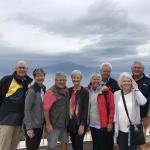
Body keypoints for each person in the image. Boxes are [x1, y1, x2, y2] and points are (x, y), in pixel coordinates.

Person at [0, 60, 33, 150]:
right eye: (20, 67)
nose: (22, 69)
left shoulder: (28, 83)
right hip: (6, 120)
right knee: (4, 146)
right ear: (16, 68)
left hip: (19, 121)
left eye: (24, 68)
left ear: (27, 69)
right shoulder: (7, 80)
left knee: (13, 146)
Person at [114, 72, 147, 150]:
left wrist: (136, 89)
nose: (126, 83)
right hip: (120, 130)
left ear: (132, 82)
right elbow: (115, 110)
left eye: (129, 81)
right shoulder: (116, 94)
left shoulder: (135, 93)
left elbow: (143, 102)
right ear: (121, 83)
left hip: (133, 130)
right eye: (124, 81)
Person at [43, 72, 69, 150]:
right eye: (60, 80)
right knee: (52, 146)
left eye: (64, 80)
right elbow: (46, 109)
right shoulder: (50, 92)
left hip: (64, 125)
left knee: (65, 144)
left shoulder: (66, 90)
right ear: (55, 80)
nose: (62, 82)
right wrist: (48, 124)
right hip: (53, 125)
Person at [88, 73, 114, 150]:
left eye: (98, 79)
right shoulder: (88, 91)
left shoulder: (106, 92)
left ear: (101, 80)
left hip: (102, 125)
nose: (96, 81)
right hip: (92, 124)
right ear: (91, 80)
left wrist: (110, 123)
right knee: (95, 145)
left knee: (103, 146)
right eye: (94, 79)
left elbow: (112, 108)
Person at [24, 68, 46, 150]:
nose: (40, 78)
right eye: (38, 76)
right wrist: (29, 128)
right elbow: (27, 110)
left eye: (42, 76)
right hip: (32, 126)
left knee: (35, 147)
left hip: (39, 125)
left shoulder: (42, 89)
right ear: (34, 77)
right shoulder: (32, 91)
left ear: (44, 77)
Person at [100, 62, 120, 150]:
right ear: (100, 71)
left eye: (108, 71)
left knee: (109, 141)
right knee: (99, 141)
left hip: (109, 117)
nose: (106, 73)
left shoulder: (115, 83)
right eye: (104, 71)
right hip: (98, 118)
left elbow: (117, 101)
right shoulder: (96, 82)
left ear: (110, 72)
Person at [68, 70, 89, 150]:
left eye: (78, 78)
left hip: (80, 123)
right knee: (74, 144)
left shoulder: (85, 92)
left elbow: (85, 109)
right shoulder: (69, 91)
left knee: (78, 144)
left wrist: (82, 125)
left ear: (81, 79)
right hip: (71, 122)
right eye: (74, 77)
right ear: (71, 79)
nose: (76, 79)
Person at [131, 61, 150, 131]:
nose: (137, 69)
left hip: (143, 117)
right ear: (132, 69)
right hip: (129, 116)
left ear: (143, 69)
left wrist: (148, 116)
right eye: (135, 67)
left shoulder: (148, 82)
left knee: (141, 139)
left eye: (139, 68)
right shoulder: (127, 81)